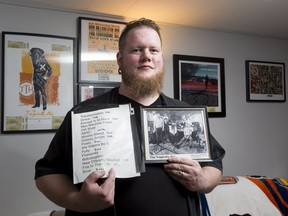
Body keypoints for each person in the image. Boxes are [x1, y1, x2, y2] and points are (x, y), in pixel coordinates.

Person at [34, 18, 225, 216]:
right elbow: (47, 174)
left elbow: (214, 165)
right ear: (119, 59)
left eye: (154, 50)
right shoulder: (85, 113)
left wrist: (203, 180)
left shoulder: (185, 113)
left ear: (161, 58)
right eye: (137, 50)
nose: (146, 56)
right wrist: (78, 201)